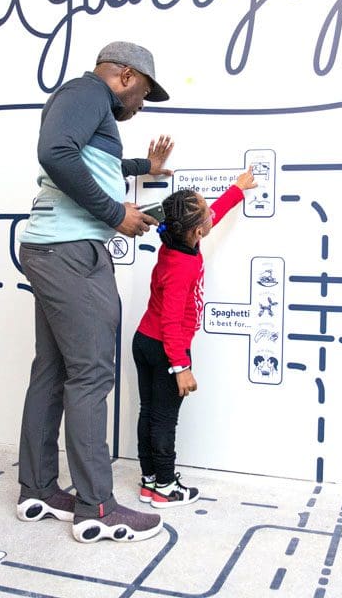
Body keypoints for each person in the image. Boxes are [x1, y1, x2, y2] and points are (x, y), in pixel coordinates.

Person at [16, 41, 174, 544]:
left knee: (54, 369)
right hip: (73, 252)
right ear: (125, 76)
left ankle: (38, 489)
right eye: (144, 93)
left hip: (51, 249)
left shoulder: (83, 102)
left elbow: (85, 156)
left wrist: (140, 170)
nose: (141, 105)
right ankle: (97, 510)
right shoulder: (89, 92)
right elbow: (55, 153)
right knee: (90, 375)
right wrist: (114, 214)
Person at [132, 167, 258, 507]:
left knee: (150, 413)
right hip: (164, 347)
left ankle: (149, 480)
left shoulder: (177, 243)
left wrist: (237, 188)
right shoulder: (181, 266)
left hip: (146, 340)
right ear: (197, 232)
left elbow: (212, 216)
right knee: (163, 419)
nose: (210, 213)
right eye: (205, 211)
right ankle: (165, 486)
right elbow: (172, 322)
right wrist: (180, 366)